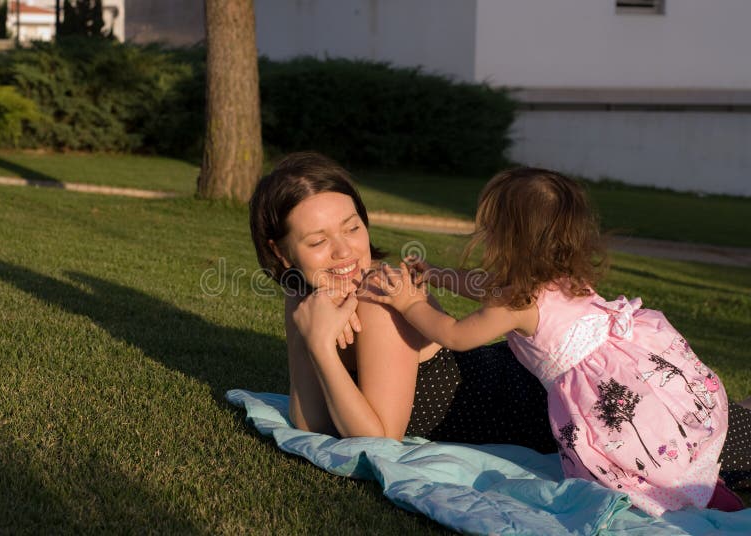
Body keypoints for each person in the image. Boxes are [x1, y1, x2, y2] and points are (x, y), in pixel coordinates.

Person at [371, 167, 748, 515]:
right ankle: (708, 489)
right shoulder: (558, 278)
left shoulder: (516, 303)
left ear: (510, 237)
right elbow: (482, 286)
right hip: (627, 372)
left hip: (602, 397)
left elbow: (454, 335)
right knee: (659, 448)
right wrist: (435, 274)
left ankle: (709, 502)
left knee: (637, 463)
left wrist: (409, 304)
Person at [249, 152, 557, 449]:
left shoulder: (379, 296)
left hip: (537, 401)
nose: (344, 251)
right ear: (281, 253)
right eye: (318, 241)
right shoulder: (304, 296)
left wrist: (319, 346)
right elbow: (312, 424)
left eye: (352, 228)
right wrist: (312, 337)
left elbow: (379, 442)